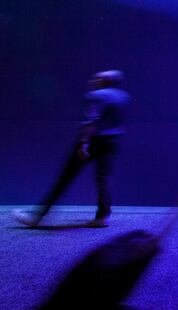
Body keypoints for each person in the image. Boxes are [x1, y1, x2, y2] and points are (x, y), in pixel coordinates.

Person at [14, 70, 129, 228]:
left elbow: (91, 121)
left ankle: (36, 217)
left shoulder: (96, 95)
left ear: (104, 81)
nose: (93, 80)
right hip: (112, 142)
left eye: (97, 78)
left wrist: (84, 143)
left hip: (93, 140)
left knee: (65, 178)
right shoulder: (123, 97)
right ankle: (102, 216)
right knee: (103, 178)